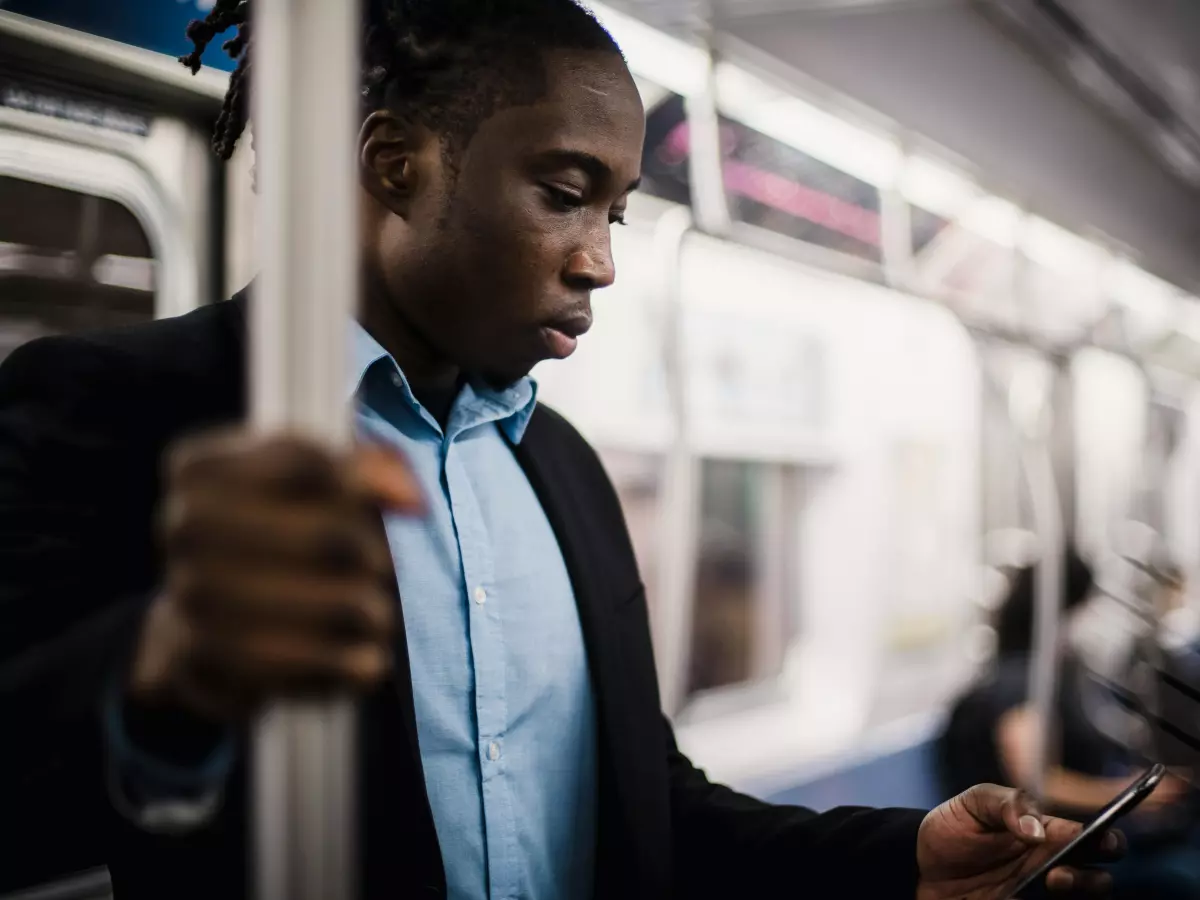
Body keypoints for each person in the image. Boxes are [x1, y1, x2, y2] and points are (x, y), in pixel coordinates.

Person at [0, 2, 1121, 898]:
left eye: (616, 214)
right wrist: (160, 670)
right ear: (396, 163)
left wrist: (897, 859)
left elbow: (645, 810)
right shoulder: (118, 409)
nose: (600, 264)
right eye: (564, 194)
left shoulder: (565, 472)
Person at [938, 548, 1200, 898]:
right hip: (1034, 855)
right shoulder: (1021, 682)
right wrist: (1130, 793)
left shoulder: (1045, 676)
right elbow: (1037, 779)